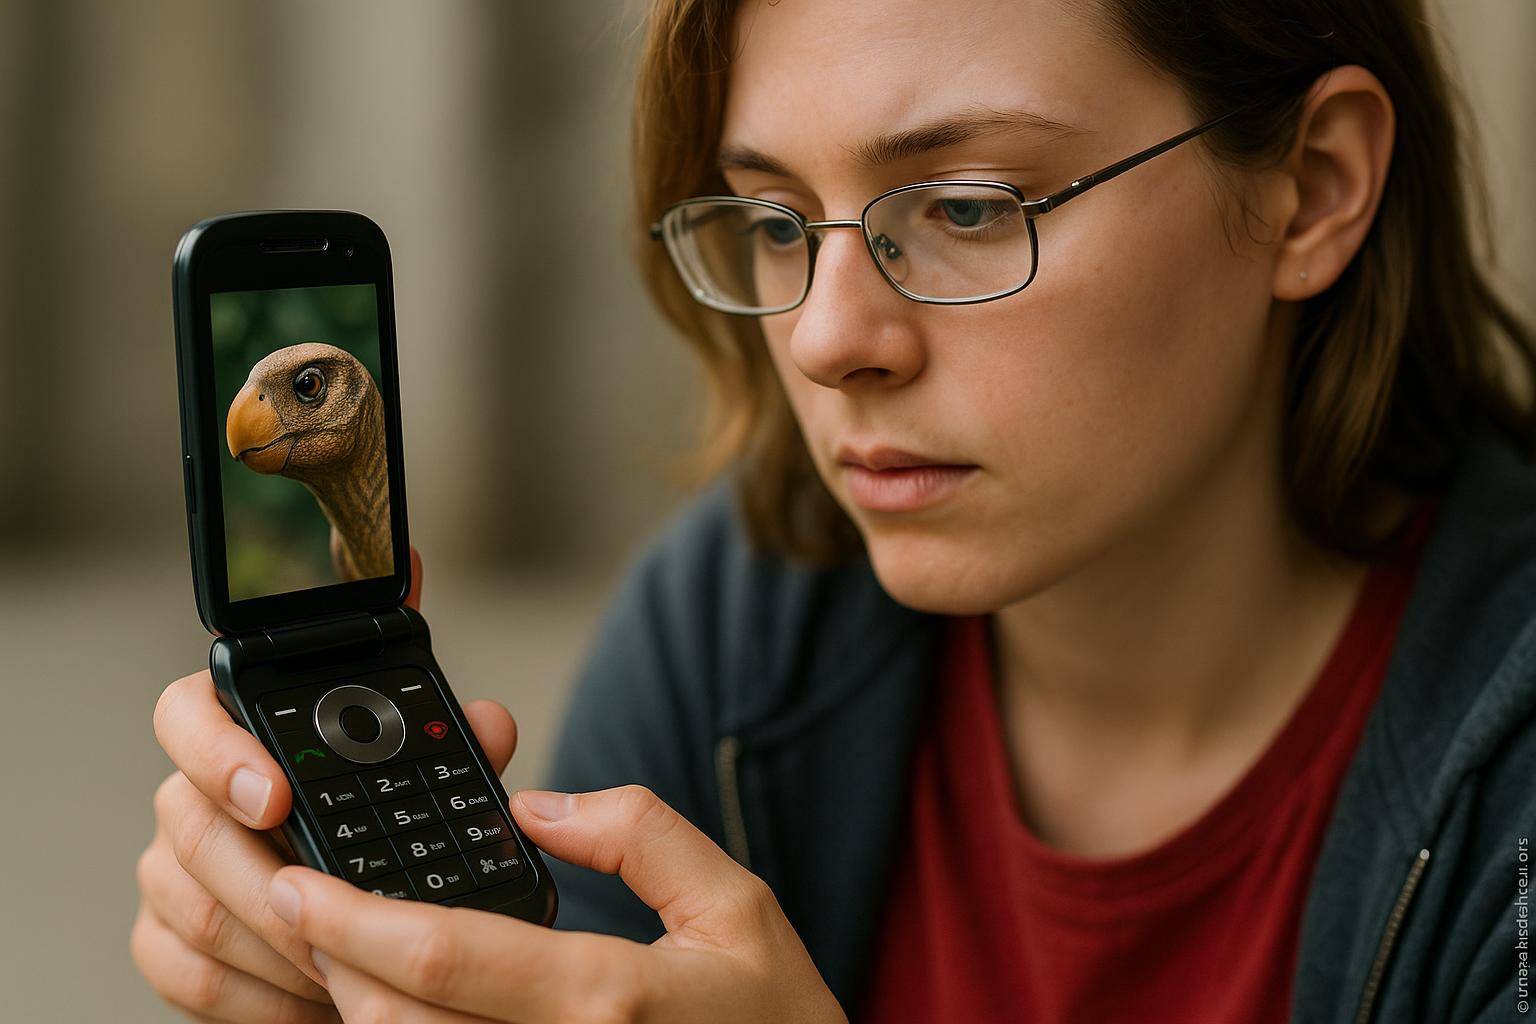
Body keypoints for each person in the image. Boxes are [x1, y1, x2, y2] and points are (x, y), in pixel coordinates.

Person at [130, 0, 1536, 1021]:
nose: (824, 338)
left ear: (1313, 188)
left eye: (972, 206)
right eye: (780, 222)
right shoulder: (737, 620)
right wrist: (376, 986)